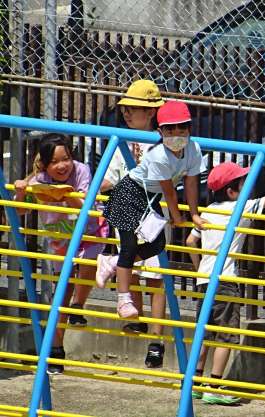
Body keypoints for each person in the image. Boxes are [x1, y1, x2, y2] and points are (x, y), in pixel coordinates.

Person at [185, 161, 265, 405]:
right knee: (226, 335)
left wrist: (200, 267)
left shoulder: (208, 210)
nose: (247, 187)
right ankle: (214, 387)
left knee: (205, 332)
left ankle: (195, 384)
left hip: (205, 280)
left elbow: (190, 242)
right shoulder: (241, 207)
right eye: (243, 183)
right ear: (232, 191)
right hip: (225, 280)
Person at [96, 98, 206, 322]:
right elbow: (169, 191)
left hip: (149, 199)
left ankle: (112, 262)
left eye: (181, 128)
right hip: (128, 195)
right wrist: (177, 217)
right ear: (160, 132)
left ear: (189, 129)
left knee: (157, 245)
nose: (176, 134)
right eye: (169, 130)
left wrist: (194, 214)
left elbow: (192, 182)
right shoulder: (159, 155)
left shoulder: (193, 149)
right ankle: (124, 300)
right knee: (129, 246)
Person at [14, 133, 107, 374]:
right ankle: (56, 350)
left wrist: (66, 194)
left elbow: (87, 207)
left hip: (89, 230)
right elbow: (21, 211)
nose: (62, 165)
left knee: (89, 263)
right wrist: (22, 191)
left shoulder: (82, 170)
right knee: (61, 294)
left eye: (66, 158)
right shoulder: (39, 179)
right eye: (55, 162)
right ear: (45, 165)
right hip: (61, 238)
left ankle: (78, 306)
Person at [98, 79, 169, 368]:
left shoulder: (162, 140)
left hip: (151, 211)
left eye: (133, 109)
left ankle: (157, 341)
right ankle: (134, 315)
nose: (127, 114)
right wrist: (95, 188)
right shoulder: (121, 140)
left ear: (150, 112)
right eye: (125, 109)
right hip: (128, 206)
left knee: (156, 275)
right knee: (132, 265)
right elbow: (110, 176)